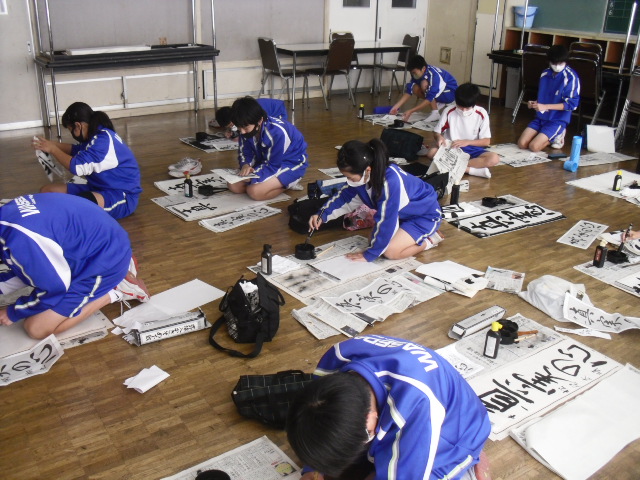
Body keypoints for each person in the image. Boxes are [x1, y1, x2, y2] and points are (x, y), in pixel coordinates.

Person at [286, 334, 492, 480]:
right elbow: (319, 422)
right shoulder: (337, 357)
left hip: (455, 433)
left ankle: (468, 462)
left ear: (372, 418)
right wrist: (312, 469)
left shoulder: (417, 405)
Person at [0, 193, 149, 340]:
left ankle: (115, 291)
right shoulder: (7, 217)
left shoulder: (22, 240)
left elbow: (55, 288)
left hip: (105, 264)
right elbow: (23, 267)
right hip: (98, 246)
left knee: (36, 328)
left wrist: (13, 313)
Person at [309, 139, 443, 262]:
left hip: (424, 217)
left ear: (367, 170)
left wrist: (369, 255)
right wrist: (322, 215)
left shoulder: (391, 182)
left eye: (351, 178)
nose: (349, 181)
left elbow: (387, 219)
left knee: (390, 252)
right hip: (401, 216)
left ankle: (430, 240)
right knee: (373, 241)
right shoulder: (364, 176)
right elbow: (344, 197)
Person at [31, 102, 143, 220]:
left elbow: (77, 167)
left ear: (78, 125)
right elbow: (75, 149)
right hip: (97, 187)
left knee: (79, 205)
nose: (72, 134)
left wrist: (52, 149)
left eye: (71, 130)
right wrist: (50, 144)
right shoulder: (96, 135)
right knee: (46, 191)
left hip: (121, 195)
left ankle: (58, 220)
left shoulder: (103, 140)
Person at [228, 96, 308, 201]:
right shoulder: (246, 128)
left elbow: (273, 165)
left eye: (245, 128)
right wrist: (245, 165)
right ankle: (271, 183)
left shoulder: (277, 132)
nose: (242, 132)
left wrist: (253, 176)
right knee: (233, 186)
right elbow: (245, 152)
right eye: (239, 128)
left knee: (254, 192)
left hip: (290, 164)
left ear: (259, 120)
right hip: (265, 160)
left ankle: (288, 183)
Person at [426, 83, 500, 179]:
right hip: (452, 148)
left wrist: (467, 142)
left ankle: (453, 167)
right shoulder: (449, 111)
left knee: (494, 158)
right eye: (460, 107)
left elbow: (486, 141)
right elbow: (437, 132)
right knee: (431, 153)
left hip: (472, 149)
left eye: (467, 108)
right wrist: (439, 137)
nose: (464, 111)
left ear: (474, 104)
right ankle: (471, 170)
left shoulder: (481, 113)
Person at [517, 45, 580, 152]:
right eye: (554, 63)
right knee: (522, 144)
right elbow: (546, 96)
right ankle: (545, 135)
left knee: (534, 147)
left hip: (557, 120)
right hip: (541, 117)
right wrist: (534, 103)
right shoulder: (545, 74)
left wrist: (545, 106)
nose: (557, 66)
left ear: (565, 61)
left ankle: (558, 136)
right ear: (549, 62)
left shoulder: (571, 77)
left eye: (560, 63)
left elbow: (572, 105)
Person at [390, 55, 458, 123]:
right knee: (414, 87)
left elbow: (429, 98)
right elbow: (409, 90)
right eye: (411, 73)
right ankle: (437, 105)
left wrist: (411, 111)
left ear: (423, 68)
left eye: (414, 72)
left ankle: (435, 113)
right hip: (438, 92)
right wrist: (396, 107)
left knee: (424, 84)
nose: (413, 75)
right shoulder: (420, 73)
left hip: (450, 94)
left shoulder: (434, 75)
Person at [214, 98, 288, 139]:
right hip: (267, 109)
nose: (232, 127)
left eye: (231, 125)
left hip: (278, 111)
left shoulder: (252, 113)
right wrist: (230, 131)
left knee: (270, 132)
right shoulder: (238, 111)